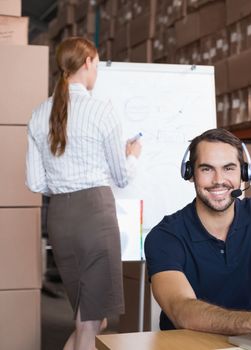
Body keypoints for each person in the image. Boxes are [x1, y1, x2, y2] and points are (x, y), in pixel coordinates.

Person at [26, 37, 142, 350]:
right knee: (90, 324)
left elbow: (35, 183)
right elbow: (120, 176)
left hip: (61, 217)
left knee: (91, 317)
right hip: (94, 215)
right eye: (97, 64)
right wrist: (132, 154)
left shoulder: (39, 115)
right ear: (88, 62)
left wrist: (65, 184)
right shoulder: (101, 112)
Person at [145, 128, 251, 337]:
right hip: (186, 345)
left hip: (246, 342)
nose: (219, 180)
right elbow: (180, 308)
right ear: (190, 174)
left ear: (244, 173)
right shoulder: (165, 235)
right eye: (207, 169)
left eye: (228, 168)